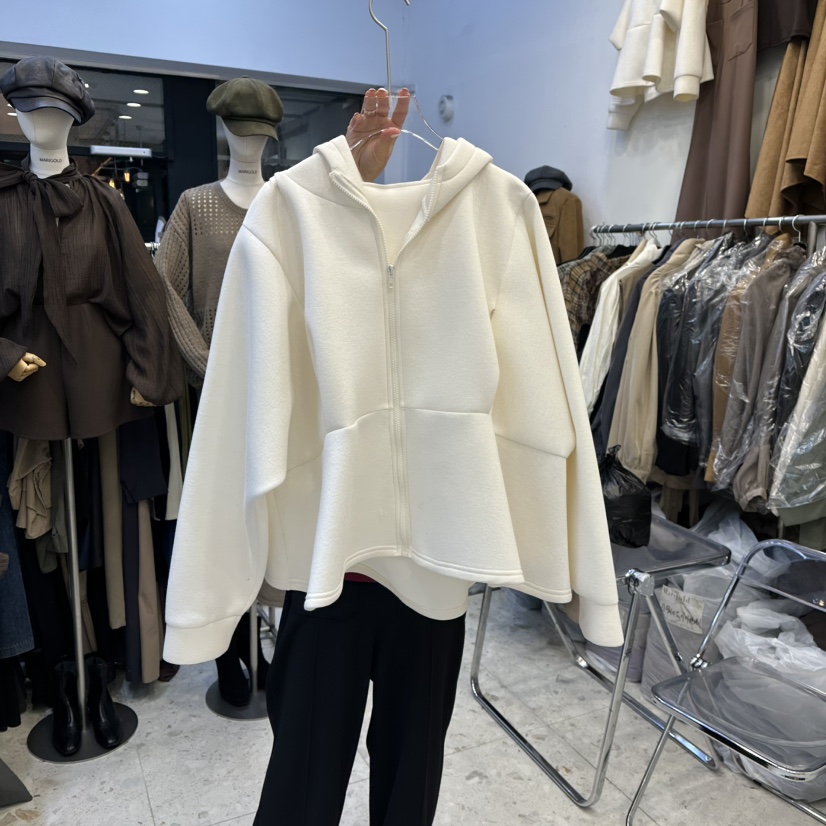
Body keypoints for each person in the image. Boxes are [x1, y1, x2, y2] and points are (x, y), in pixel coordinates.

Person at [252, 88, 466, 826]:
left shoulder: (485, 216)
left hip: (431, 564)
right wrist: (342, 181)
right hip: (329, 564)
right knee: (301, 781)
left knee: (410, 782)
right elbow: (261, 384)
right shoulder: (295, 218)